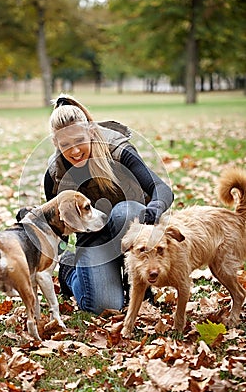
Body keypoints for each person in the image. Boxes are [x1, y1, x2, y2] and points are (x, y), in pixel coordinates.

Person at [43, 94, 174, 315]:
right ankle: (71, 270)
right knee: (103, 306)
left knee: (127, 211)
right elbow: (57, 229)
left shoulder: (117, 149)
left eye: (79, 141)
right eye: (65, 144)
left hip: (130, 226)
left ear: (91, 132)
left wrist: (155, 209)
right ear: (56, 144)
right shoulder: (55, 173)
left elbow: (161, 188)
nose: (74, 151)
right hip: (93, 238)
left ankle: (138, 282)